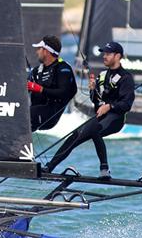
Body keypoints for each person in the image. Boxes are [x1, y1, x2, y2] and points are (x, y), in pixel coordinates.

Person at [43, 41, 133, 178]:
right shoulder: (102, 76)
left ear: (118, 56)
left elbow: (127, 104)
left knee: (95, 129)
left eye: (108, 54)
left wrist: (109, 106)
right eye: (104, 53)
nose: (104, 56)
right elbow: (96, 101)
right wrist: (93, 91)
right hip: (101, 117)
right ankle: (49, 167)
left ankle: (105, 170)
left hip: (116, 119)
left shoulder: (126, 78)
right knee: (74, 136)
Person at [27, 35, 77, 131]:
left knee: (23, 114)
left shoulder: (63, 69)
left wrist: (40, 89)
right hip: (35, 110)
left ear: (46, 51)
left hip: (50, 115)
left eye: (39, 49)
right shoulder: (37, 70)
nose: (37, 52)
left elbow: (64, 93)